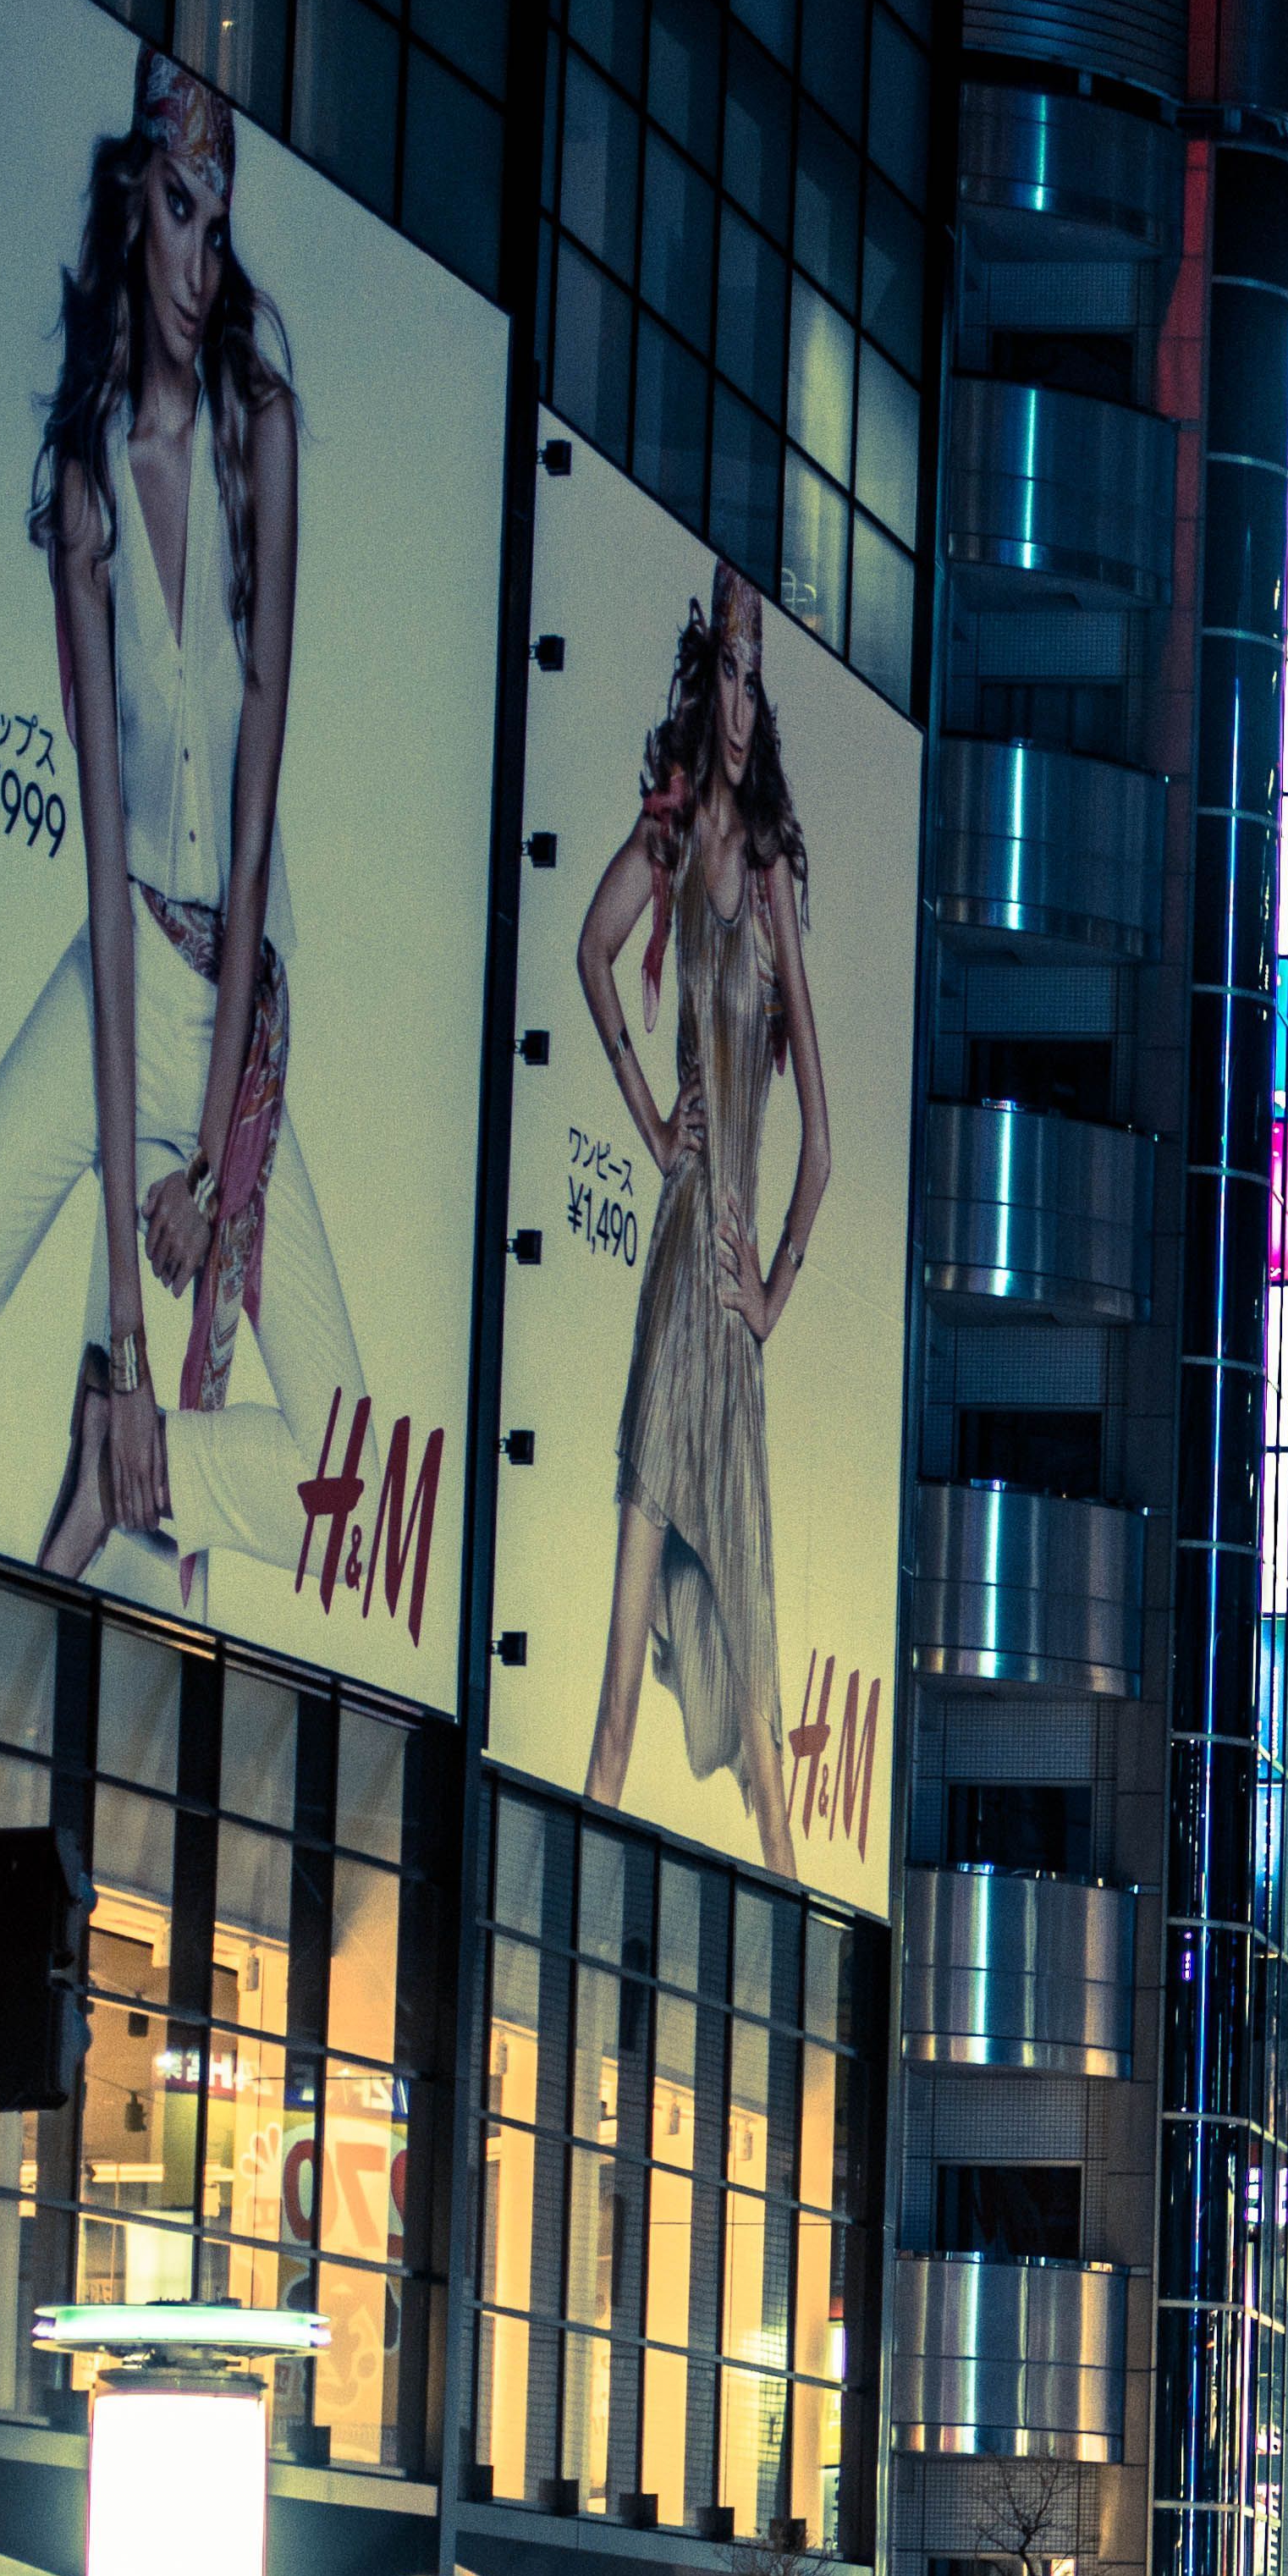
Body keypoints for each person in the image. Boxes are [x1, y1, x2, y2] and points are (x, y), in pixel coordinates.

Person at [0, 56, 375, 1631]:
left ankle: (134, 1477)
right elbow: (104, 881)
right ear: (131, 206)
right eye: (180, 208)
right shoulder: (90, 485)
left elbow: (249, 851)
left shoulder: (265, 437)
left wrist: (210, 1182)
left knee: (339, 1477)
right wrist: (119, 1297)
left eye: (221, 223)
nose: (200, 256)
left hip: (240, 1008)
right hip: (127, 984)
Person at [572, 564, 836, 1874]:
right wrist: (645, 1117)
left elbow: (826, 1148)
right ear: (703, 678)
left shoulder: (772, 863)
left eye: (757, 675)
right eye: (727, 669)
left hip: (725, 1314)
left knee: (770, 1728)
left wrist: (771, 1300)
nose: (741, 697)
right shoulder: (672, 839)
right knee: (613, 1698)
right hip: (675, 1272)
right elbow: (590, 956)